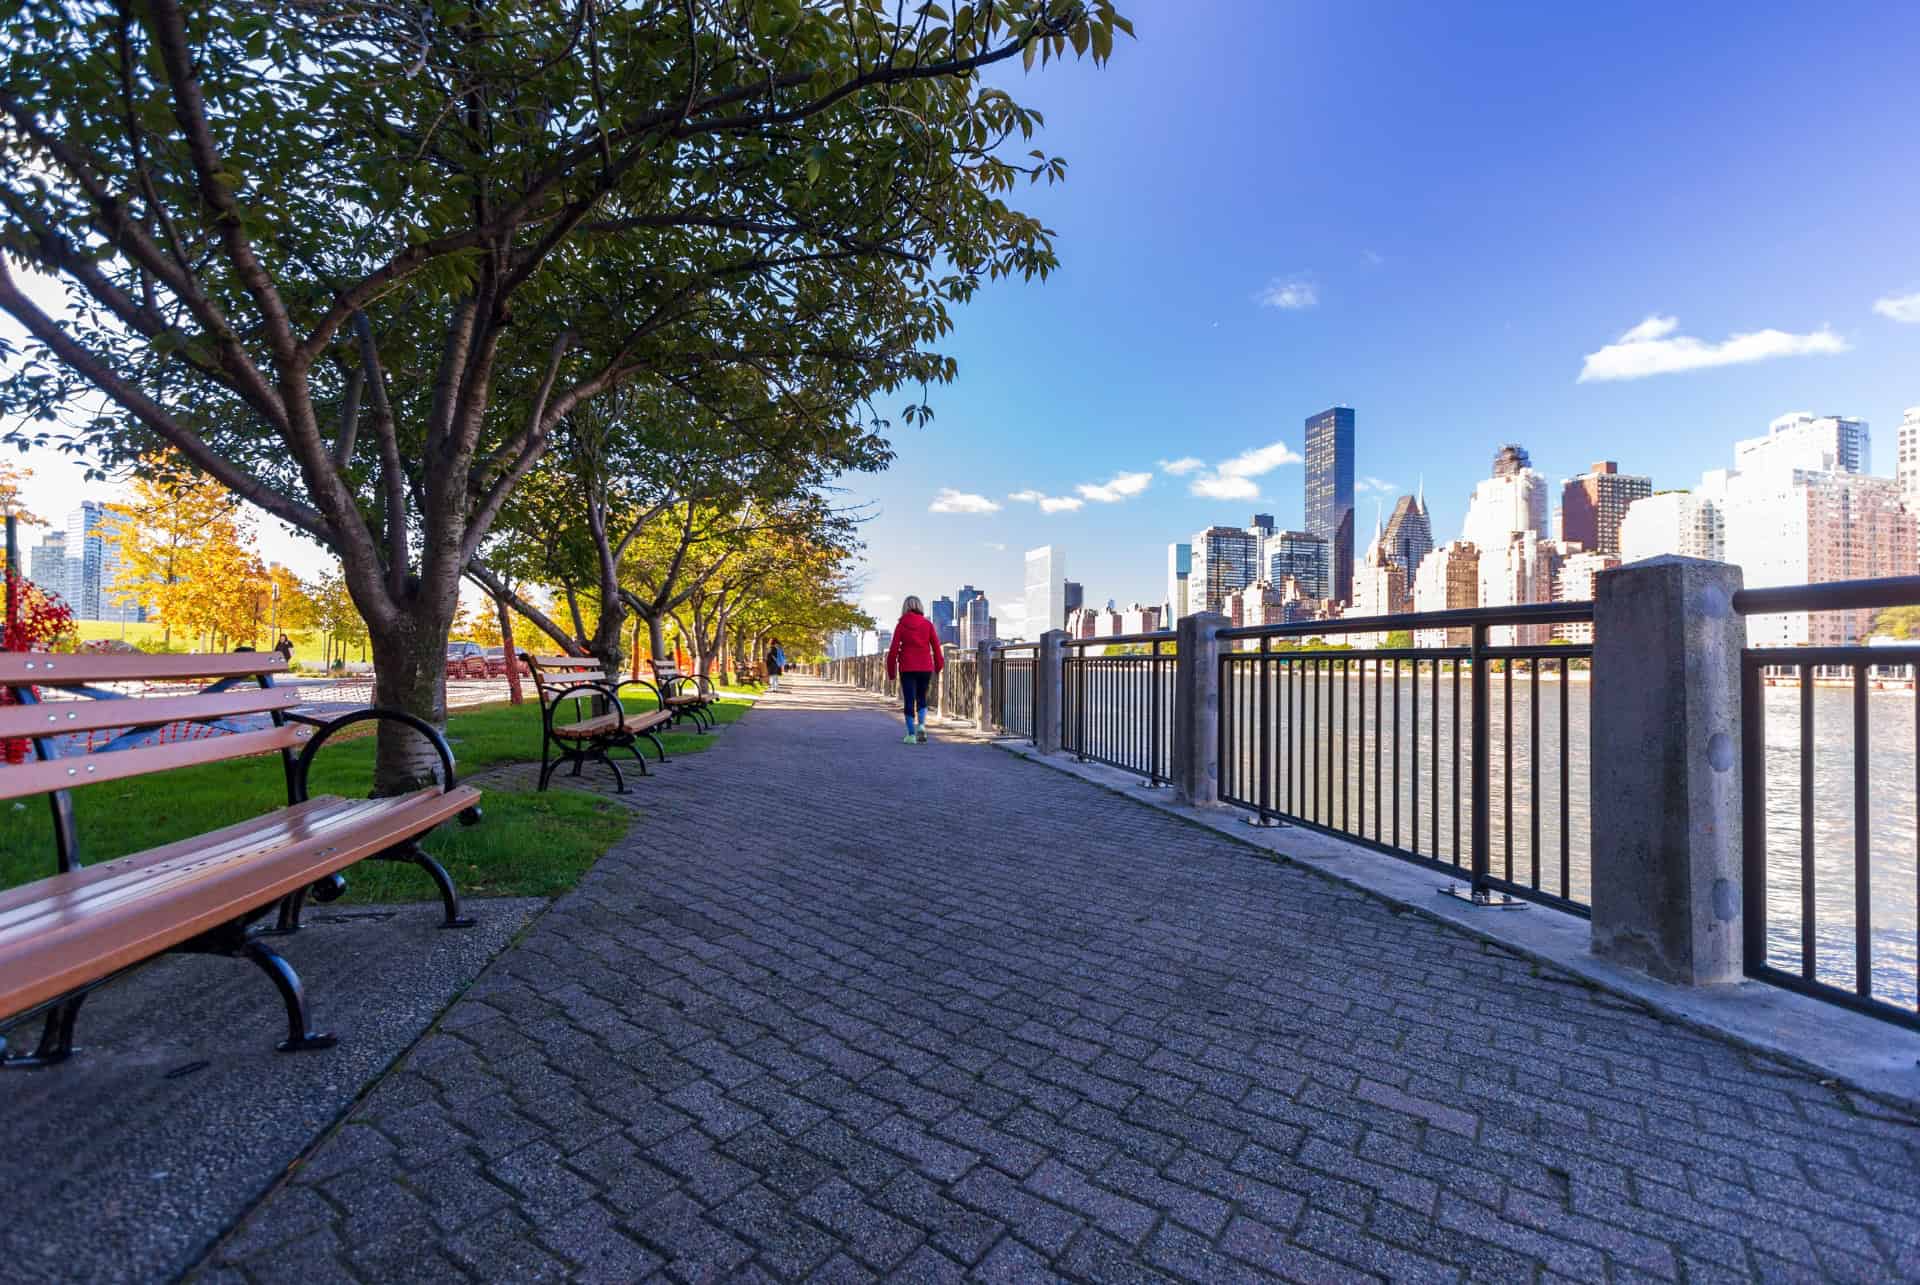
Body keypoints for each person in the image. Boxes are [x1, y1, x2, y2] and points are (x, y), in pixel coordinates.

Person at [884, 596, 944, 743]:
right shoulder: (927, 624)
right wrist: (939, 665)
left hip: (907, 667)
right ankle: (922, 726)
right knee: (922, 697)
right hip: (925, 666)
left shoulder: (901, 625)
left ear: (905, 607)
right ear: (919, 606)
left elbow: (893, 650)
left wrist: (891, 672)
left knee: (909, 700)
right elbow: (936, 647)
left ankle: (911, 735)